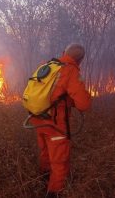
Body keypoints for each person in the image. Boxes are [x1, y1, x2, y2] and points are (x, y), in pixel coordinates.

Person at [30, 43, 91, 198]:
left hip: (38, 118)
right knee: (59, 161)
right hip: (55, 124)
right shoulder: (70, 71)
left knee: (45, 152)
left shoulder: (48, 65)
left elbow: (51, 93)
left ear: (64, 52)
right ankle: (53, 193)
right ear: (80, 60)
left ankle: (42, 180)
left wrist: (66, 100)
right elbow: (84, 104)